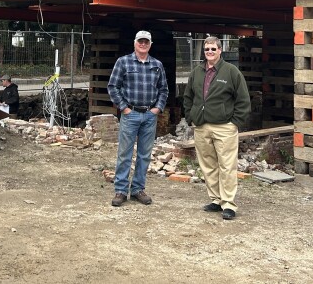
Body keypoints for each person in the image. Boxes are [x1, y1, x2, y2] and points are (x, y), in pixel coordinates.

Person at [182, 36, 250, 220]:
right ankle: (215, 199)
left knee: (227, 165)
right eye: (207, 49)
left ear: (220, 50)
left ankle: (228, 204)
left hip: (224, 127)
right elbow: (188, 97)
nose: (210, 52)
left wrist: (235, 122)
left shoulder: (231, 72)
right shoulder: (197, 72)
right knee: (208, 165)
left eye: (213, 49)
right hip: (202, 126)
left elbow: (243, 100)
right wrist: (191, 117)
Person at [107, 30, 169, 207]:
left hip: (149, 115)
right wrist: (124, 108)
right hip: (131, 113)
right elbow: (113, 87)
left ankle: (138, 189)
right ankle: (120, 190)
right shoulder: (123, 62)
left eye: (146, 42)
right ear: (135, 43)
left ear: (150, 44)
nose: (143, 44)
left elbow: (164, 89)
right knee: (125, 153)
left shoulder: (157, 65)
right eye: (140, 41)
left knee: (144, 154)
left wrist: (157, 109)